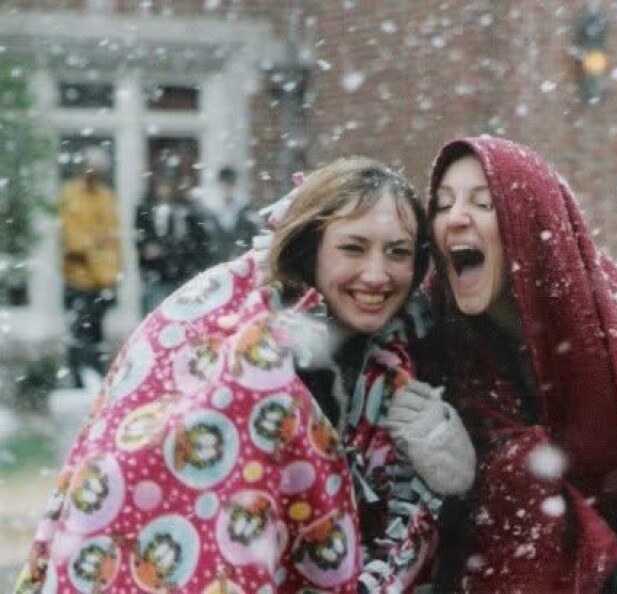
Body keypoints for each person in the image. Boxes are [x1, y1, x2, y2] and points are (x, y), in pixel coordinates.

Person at [16, 157, 474, 593]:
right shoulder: (232, 345)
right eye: (353, 247)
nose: (377, 274)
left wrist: (439, 473)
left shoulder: (401, 359)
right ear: (309, 247)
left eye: (397, 252)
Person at [414, 136, 617, 593]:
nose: (455, 219)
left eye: (483, 203)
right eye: (442, 204)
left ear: (529, 224)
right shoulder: (436, 341)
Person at [58, 146, 122, 388]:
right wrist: (97, 246)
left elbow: (113, 240)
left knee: (96, 335)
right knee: (78, 335)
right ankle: (78, 381)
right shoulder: (70, 194)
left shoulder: (106, 197)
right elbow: (73, 240)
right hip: (78, 279)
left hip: (102, 280)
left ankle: (95, 381)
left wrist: (110, 273)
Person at [135, 172, 214, 315]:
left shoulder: (186, 211)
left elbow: (195, 242)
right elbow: (142, 243)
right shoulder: (146, 209)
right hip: (158, 275)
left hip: (180, 274)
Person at [203, 165, 261, 264]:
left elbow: (252, 241)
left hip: (240, 265)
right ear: (220, 185)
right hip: (217, 265)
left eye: (230, 183)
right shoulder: (211, 213)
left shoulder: (245, 212)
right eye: (225, 184)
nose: (227, 188)